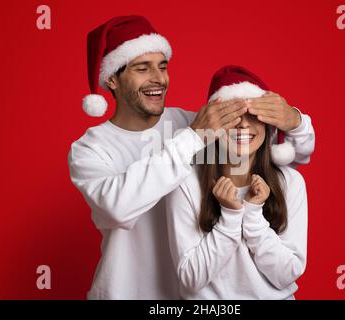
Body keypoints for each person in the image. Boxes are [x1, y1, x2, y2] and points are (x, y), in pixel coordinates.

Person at [68, 16, 315, 299]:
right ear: (112, 78)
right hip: (128, 291)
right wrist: (195, 137)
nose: (158, 79)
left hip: (193, 294)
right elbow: (116, 208)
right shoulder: (90, 148)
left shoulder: (190, 125)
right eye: (142, 68)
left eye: (163, 66)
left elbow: (286, 159)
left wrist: (295, 121)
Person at [166, 65, 308, 300]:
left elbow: (287, 274)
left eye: (253, 115)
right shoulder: (185, 183)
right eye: (232, 115)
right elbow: (191, 278)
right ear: (214, 126)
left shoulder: (289, 182)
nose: (243, 125)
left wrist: (253, 216)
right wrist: (230, 218)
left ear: (268, 126)